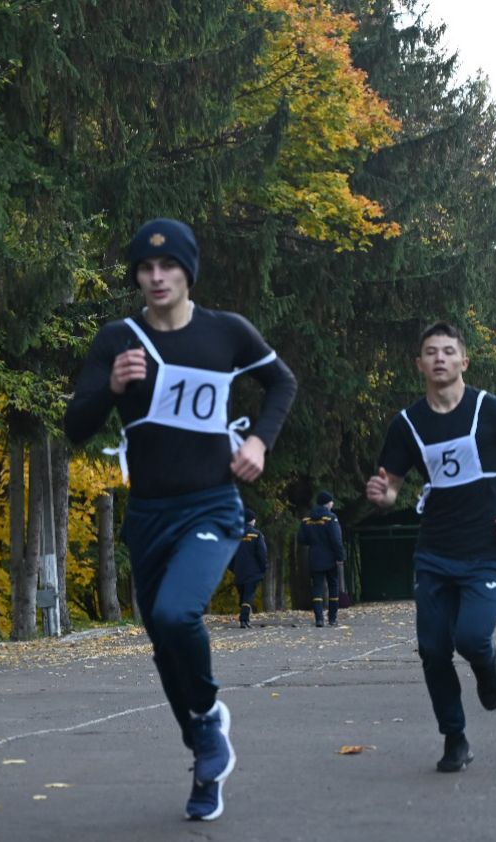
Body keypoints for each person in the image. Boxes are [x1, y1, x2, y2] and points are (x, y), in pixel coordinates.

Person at [64, 218, 297, 821]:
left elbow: (281, 383)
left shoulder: (226, 332)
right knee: (164, 646)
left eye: (167, 266)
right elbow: (75, 426)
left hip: (212, 503)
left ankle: (209, 716)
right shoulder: (119, 339)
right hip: (148, 513)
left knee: (175, 613)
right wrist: (111, 387)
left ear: (188, 271)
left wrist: (260, 442)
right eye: (145, 268)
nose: (156, 277)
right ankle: (205, 751)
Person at [366, 321, 496, 773]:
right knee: (432, 649)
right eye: (431, 352)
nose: (440, 358)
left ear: (464, 360)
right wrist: (382, 495)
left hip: (485, 547)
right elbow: (392, 488)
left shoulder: (492, 409)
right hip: (434, 550)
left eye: (448, 351)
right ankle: (454, 737)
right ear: (419, 363)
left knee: (471, 638)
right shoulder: (407, 423)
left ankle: (488, 669)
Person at [298, 491, 346, 627]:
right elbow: (336, 540)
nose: (332, 504)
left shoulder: (307, 519)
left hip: (314, 557)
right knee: (333, 587)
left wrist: (314, 542)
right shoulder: (331, 518)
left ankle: (319, 619)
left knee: (317, 588)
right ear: (328, 503)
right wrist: (340, 557)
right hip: (330, 558)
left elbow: (301, 539)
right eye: (331, 502)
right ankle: (332, 618)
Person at [229, 508, 268, 628]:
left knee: (243, 595)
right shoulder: (256, 534)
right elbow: (262, 553)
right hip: (253, 571)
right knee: (248, 595)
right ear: (251, 520)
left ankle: (245, 618)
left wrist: (233, 568)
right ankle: (244, 620)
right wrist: (263, 567)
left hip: (239, 570)